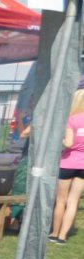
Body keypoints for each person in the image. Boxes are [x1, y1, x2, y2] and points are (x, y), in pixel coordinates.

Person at [50, 87, 84, 244]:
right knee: (73, 201)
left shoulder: (72, 119)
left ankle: (55, 233)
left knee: (61, 200)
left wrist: (61, 140)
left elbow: (69, 143)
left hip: (68, 162)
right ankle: (63, 236)